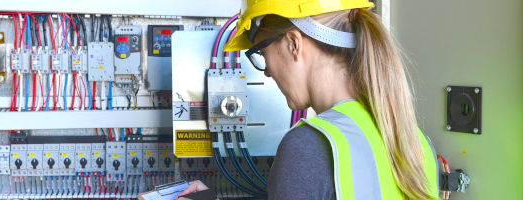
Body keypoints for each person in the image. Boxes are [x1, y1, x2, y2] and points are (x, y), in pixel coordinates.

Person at [180, 0, 440, 199]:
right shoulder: (415, 141)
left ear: (294, 43)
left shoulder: (308, 146)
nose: (267, 71)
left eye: (261, 52)